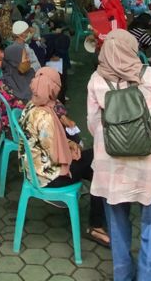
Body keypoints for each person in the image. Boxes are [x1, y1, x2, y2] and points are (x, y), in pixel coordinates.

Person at [87, 29, 151, 281]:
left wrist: (114, 141)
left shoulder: (96, 79)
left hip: (110, 163)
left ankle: (123, 274)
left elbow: (93, 123)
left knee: (116, 224)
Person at [19, 67, 109, 246]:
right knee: (100, 163)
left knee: (96, 165)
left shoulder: (33, 105)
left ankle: (100, 213)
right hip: (49, 177)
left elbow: (49, 142)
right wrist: (71, 152)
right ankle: (97, 224)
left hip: (36, 168)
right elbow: (55, 155)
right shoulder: (44, 117)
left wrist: (68, 144)